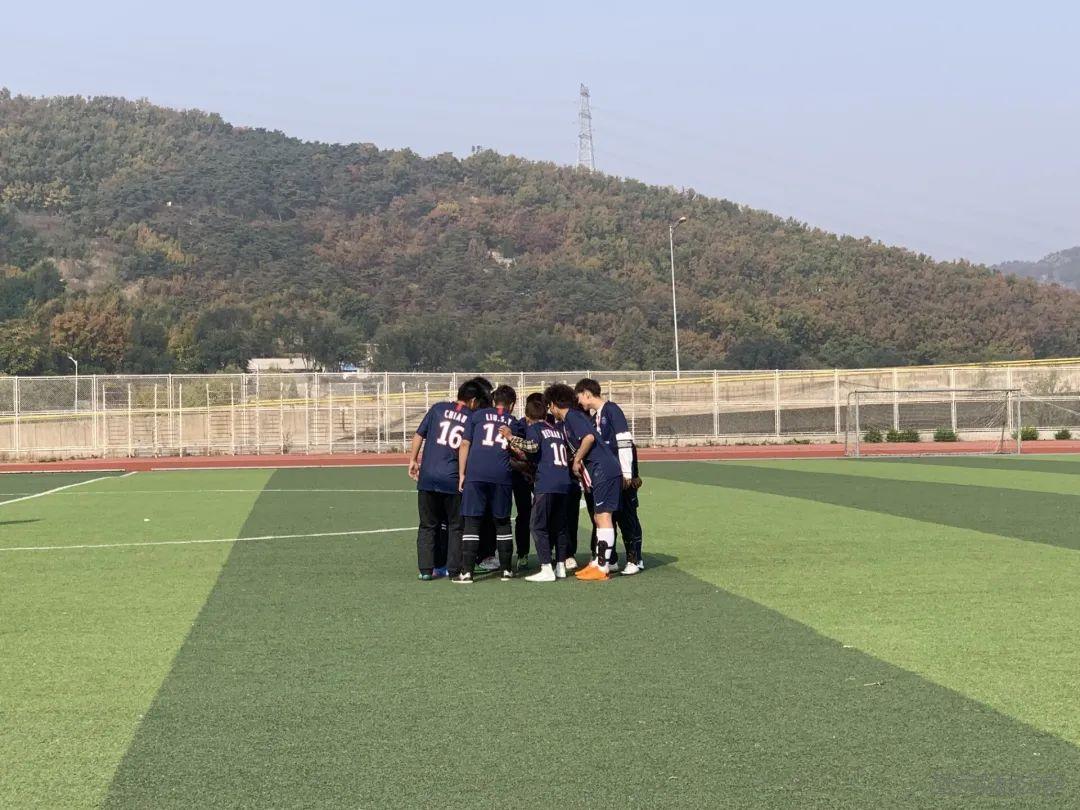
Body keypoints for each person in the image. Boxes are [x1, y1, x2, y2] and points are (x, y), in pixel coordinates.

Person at [543, 383, 623, 581]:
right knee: (598, 516)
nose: (550, 411)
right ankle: (597, 562)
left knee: (603, 516)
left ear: (553, 404)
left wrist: (577, 460)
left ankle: (603, 566)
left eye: (549, 407)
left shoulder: (572, 416)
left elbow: (588, 438)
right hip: (598, 471)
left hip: (604, 469)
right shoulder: (571, 419)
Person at [407, 380, 483, 580]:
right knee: (456, 526)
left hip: (428, 477)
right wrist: (464, 474)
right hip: (452, 478)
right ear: (473, 400)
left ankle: (426, 570)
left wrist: (413, 460)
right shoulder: (471, 417)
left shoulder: (437, 408)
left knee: (427, 525)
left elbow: (418, 435)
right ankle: (453, 569)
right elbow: (466, 445)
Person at [574, 378, 645, 575]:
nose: (579, 401)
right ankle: (610, 559)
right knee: (607, 517)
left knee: (627, 517)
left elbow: (625, 441)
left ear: (587, 394)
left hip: (622, 476)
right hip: (608, 477)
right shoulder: (594, 418)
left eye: (579, 397)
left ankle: (635, 559)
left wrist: (629, 473)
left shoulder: (612, 410)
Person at [500, 396, 571, 582]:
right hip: (564, 482)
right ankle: (560, 566)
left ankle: (546, 567)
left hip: (547, 483)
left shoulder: (534, 428)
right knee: (559, 526)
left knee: (537, 525)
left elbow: (532, 446)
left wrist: (510, 437)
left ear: (527, 416)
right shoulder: (556, 430)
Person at [458, 384, 518, 582]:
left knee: (472, 521)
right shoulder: (513, 422)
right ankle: (506, 570)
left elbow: (465, 443)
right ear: (512, 405)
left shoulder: (477, 415)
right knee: (502, 522)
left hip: (476, 474)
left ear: (493, 401)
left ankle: (467, 572)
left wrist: (462, 473)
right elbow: (518, 451)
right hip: (501, 474)